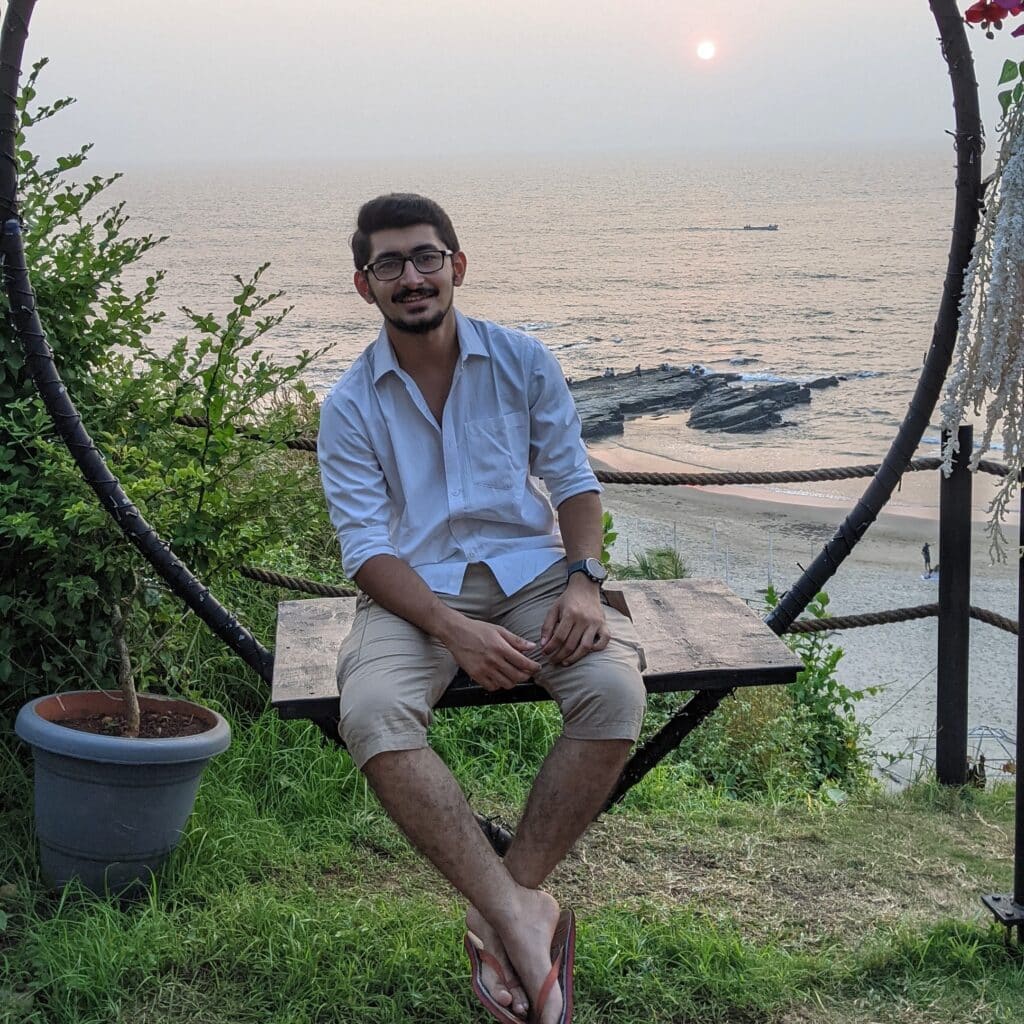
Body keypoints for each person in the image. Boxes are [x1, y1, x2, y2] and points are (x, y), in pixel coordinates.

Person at [317, 193, 647, 1024]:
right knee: (375, 711)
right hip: (416, 594)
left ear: (457, 266)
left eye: (426, 257)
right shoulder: (349, 405)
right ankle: (521, 918)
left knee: (614, 690)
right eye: (389, 264)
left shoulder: (522, 359)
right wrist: (451, 627)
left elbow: (573, 483)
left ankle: (505, 904)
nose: (411, 277)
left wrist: (583, 579)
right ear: (366, 286)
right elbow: (366, 551)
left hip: (537, 575)